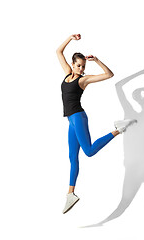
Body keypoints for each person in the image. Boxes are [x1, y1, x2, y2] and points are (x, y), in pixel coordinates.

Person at [56, 34, 136, 214]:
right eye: (79, 65)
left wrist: (97, 60)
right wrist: (70, 37)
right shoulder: (68, 73)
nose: (81, 68)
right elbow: (58, 51)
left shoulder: (83, 80)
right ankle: (71, 193)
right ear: (73, 64)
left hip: (78, 117)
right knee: (72, 158)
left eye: (83, 66)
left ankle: (119, 129)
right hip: (71, 120)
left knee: (89, 151)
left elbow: (109, 75)